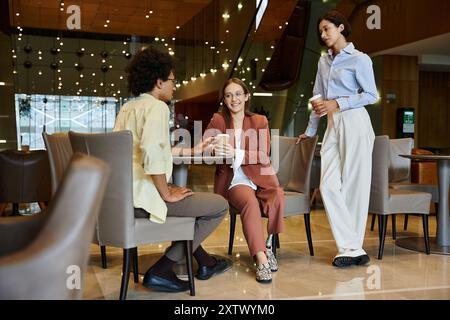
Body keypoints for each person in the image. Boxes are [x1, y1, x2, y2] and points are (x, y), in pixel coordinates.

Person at [113, 46, 232, 293]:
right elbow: (152, 154)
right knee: (218, 205)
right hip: (146, 198)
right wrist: (166, 191)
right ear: (158, 81)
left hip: (124, 196)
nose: (174, 85)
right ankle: (163, 269)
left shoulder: (128, 108)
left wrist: (196, 150)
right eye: (172, 80)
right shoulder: (157, 108)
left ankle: (206, 263)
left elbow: (150, 150)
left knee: (189, 203)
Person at [296, 11, 377, 267]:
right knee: (328, 185)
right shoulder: (323, 62)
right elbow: (317, 97)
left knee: (355, 185)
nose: (323, 35)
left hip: (355, 121)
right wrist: (310, 131)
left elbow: (371, 95)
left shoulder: (359, 59)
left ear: (341, 28)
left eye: (327, 29)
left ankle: (351, 248)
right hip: (332, 124)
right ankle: (353, 247)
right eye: (320, 31)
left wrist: (338, 103)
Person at [204, 78, 284, 283]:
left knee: (277, 194)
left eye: (238, 94)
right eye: (229, 95)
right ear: (224, 99)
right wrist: (213, 147)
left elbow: (263, 154)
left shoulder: (259, 121)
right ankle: (262, 259)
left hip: (259, 176)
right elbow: (204, 147)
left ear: (246, 96)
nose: (234, 99)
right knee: (248, 201)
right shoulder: (218, 120)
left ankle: (268, 243)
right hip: (235, 179)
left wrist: (236, 151)